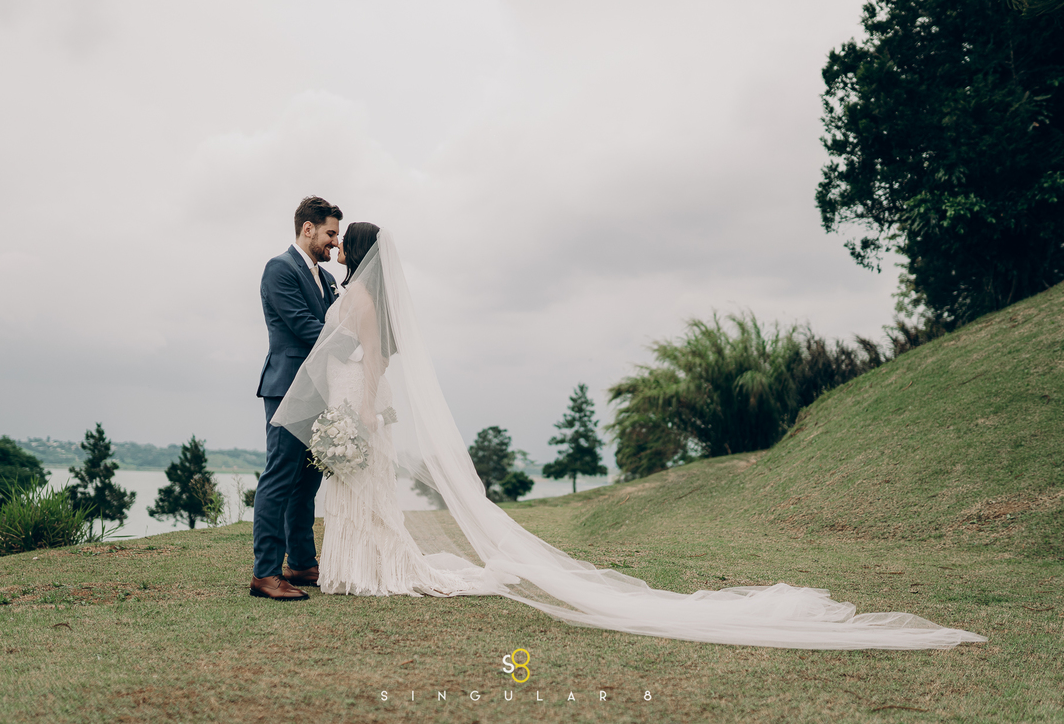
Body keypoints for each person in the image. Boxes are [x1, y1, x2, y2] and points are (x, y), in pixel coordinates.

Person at [272, 226, 988, 649]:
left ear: (355, 253)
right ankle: (356, 567)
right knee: (361, 494)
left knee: (361, 491)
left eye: (343, 244)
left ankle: (369, 569)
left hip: (360, 408)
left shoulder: (361, 297)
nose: (337, 251)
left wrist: (362, 417)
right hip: (358, 406)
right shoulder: (373, 295)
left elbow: (370, 369)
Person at [250, 196, 342, 601]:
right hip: (288, 387)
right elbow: (307, 327)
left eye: (337, 236)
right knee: (279, 478)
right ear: (308, 228)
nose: (334, 243)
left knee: (307, 481)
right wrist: (355, 341)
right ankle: (265, 574)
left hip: (319, 389)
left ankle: (302, 563)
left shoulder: (326, 279)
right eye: (330, 233)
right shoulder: (279, 268)